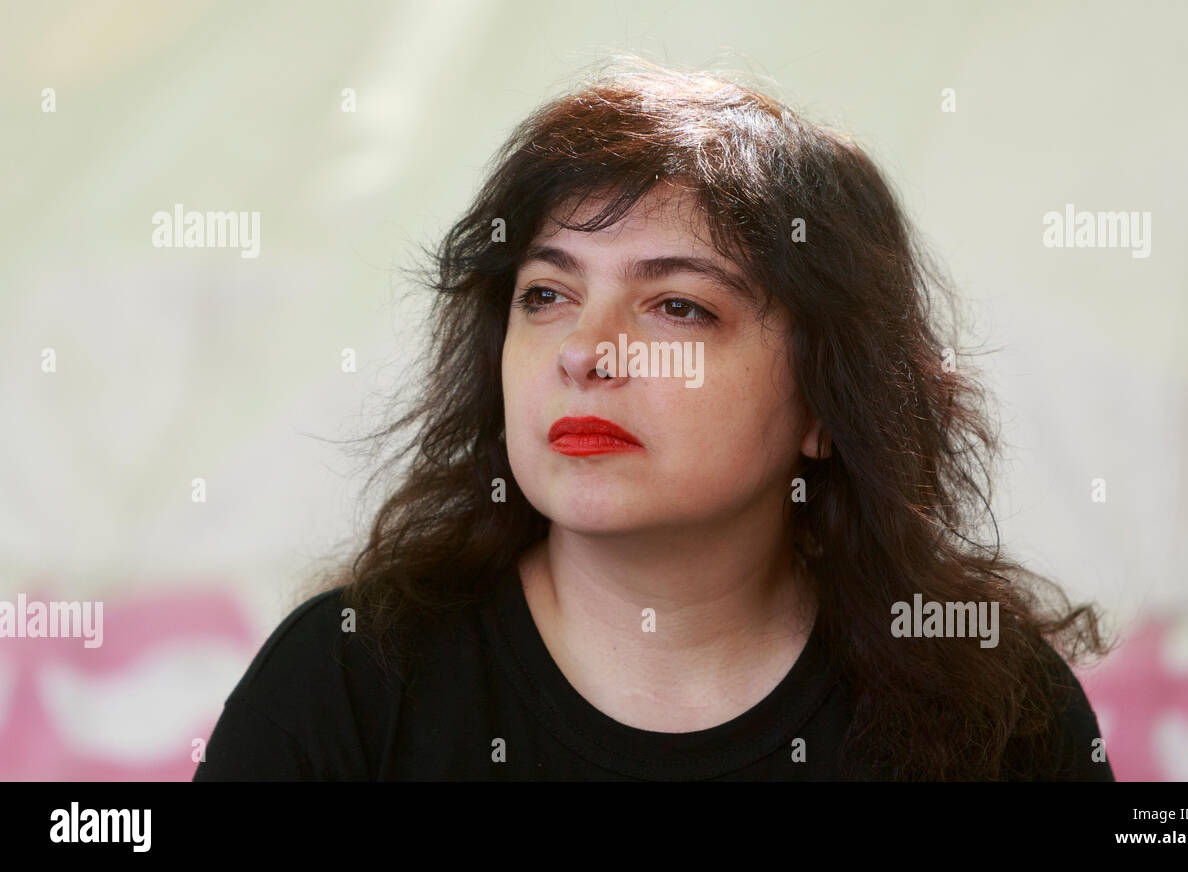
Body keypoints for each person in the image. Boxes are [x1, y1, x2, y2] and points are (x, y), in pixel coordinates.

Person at [193, 57, 1115, 781]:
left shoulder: (999, 716)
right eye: (546, 293)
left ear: (828, 406)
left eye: (678, 306)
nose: (586, 351)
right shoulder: (348, 682)